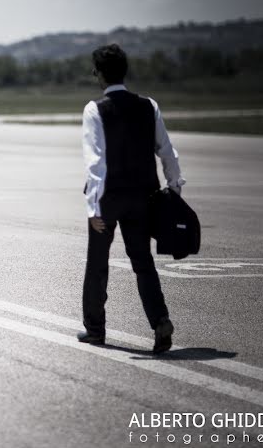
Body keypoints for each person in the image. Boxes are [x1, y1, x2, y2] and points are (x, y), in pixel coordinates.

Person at [78, 44, 185, 354]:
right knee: (143, 262)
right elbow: (167, 151)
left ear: (98, 73)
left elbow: (96, 162)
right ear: (125, 71)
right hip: (144, 197)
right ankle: (160, 321)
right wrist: (174, 188)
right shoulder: (148, 106)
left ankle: (95, 329)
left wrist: (93, 208)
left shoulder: (94, 109)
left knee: (97, 264)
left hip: (109, 199)